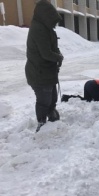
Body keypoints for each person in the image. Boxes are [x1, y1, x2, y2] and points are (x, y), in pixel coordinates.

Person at [25, 0, 63, 132]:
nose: (54, 24)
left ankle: (51, 118)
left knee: (52, 97)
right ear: (46, 16)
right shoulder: (38, 29)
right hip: (38, 73)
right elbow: (46, 53)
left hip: (47, 72)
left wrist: (58, 54)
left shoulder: (46, 28)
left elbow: (53, 47)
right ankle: (41, 124)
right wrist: (58, 57)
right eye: (53, 20)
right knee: (44, 100)